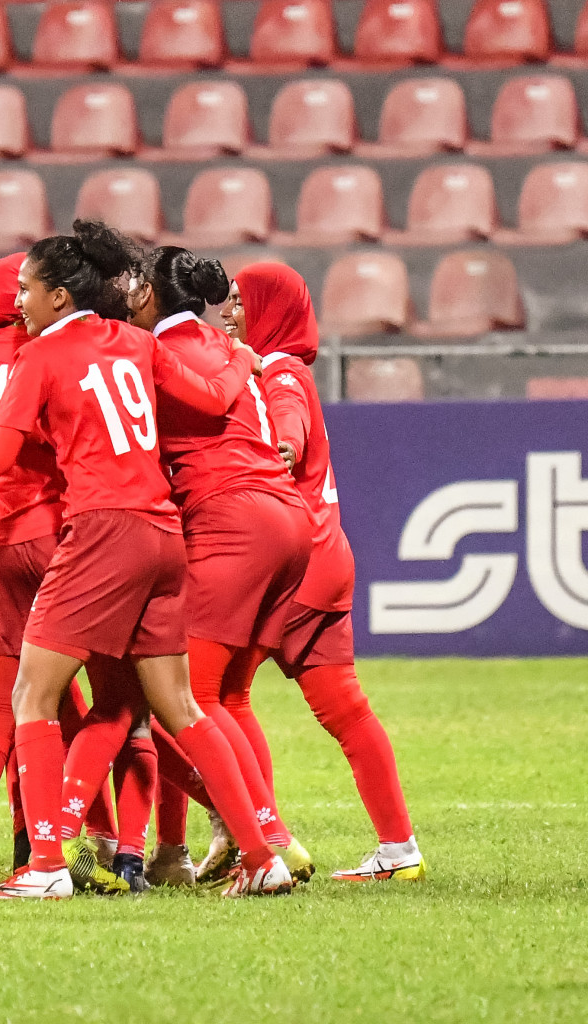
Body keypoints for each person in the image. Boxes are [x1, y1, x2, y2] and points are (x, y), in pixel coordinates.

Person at [0, 226, 296, 900]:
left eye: (26, 287)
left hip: (101, 531)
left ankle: (49, 866)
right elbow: (212, 398)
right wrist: (236, 356)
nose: (18, 300)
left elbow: (0, 461)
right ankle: (264, 857)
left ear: (58, 295)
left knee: (33, 693)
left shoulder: (38, 357)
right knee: (179, 706)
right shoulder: (137, 343)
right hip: (163, 533)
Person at [225, 263, 427, 883]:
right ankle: (399, 849)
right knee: (346, 711)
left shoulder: (280, 374)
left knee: (212, 696)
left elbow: (287, 434)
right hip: (328, 555)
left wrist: (275, 448)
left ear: (268, 308)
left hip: (294, 567)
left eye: (239, 302)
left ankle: (268, 839)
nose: (228, 312)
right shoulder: (286, 369)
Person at [127, 247, 315, 887]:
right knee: (229, 695)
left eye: (134, 283)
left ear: (151, 296)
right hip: (287, 519)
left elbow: (198, 406)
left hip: (229, 517)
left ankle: (261, 844)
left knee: (185, 701)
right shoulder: (223, 342)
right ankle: (271, 838)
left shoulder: (157, 351)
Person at [0, 251, 124, 896]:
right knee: (117, 699)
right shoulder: (56, 352)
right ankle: (101, 840)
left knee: (6, 700)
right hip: (62, 531)